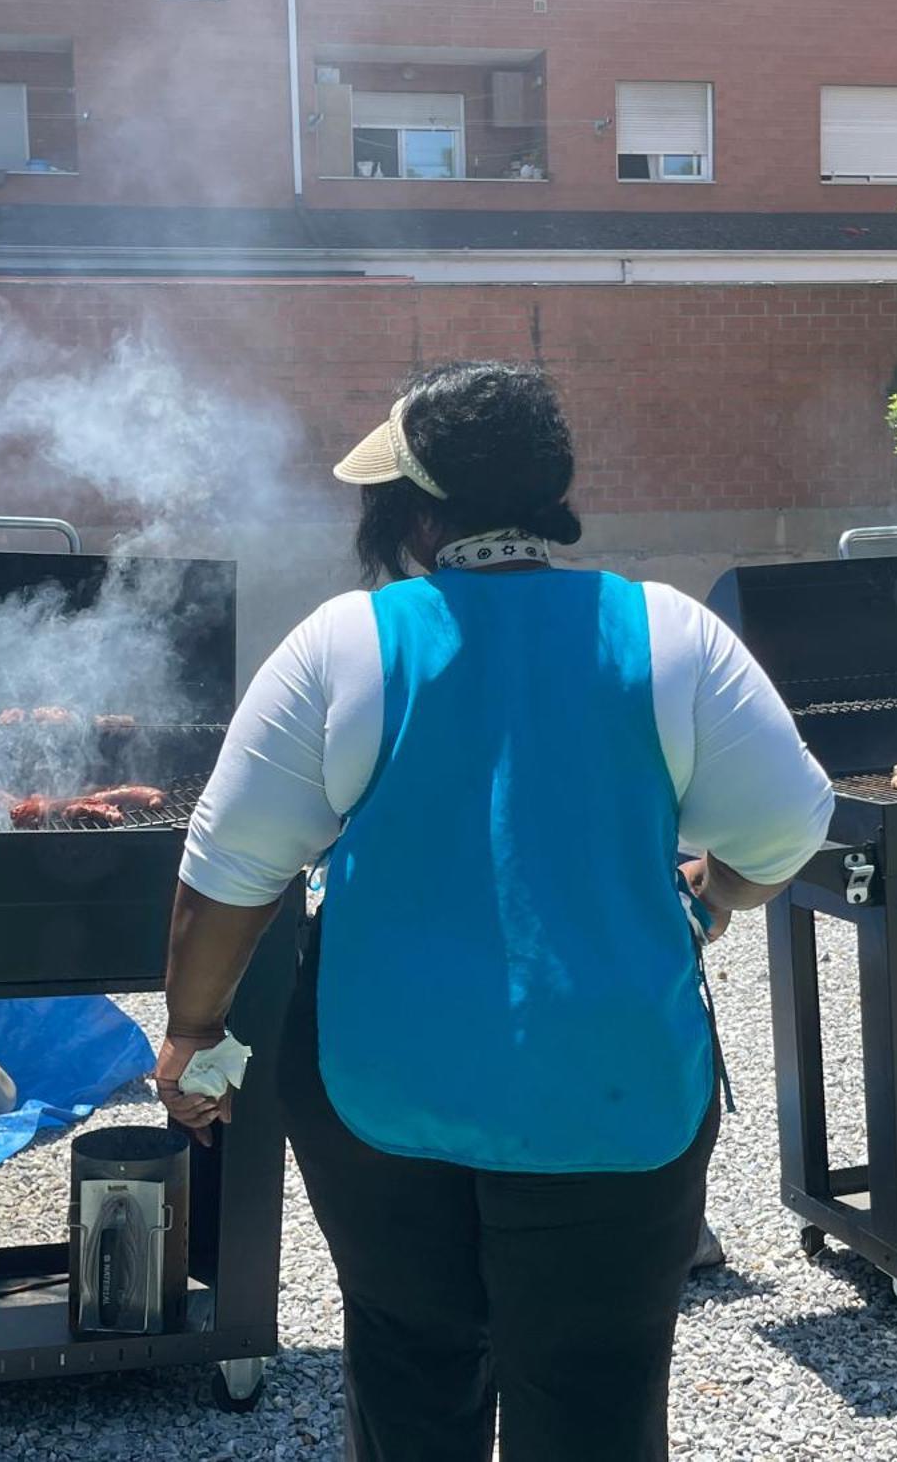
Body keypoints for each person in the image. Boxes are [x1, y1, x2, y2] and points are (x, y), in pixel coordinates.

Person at [156, 361, 833, 1462]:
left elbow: (228, 873)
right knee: (596, 1396)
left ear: (413, 510)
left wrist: (193, 1033)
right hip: (615, 1094)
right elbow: (787, 829)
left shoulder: (342, 643)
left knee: (411, 1365)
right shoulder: (669, 634)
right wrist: (708, 900)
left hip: (382, 1096)